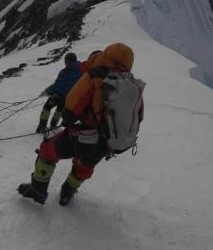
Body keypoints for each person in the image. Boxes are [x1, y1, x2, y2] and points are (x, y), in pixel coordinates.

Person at [18, 43, 143, 206]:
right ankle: (66, 195)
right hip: (107, 143)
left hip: (82, 136)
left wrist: (71, 120)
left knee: (48, 149)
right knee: (84, 166)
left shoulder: (95, 75)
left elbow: (70, 109)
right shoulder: (132, 86)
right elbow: (138, 117)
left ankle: (38, 190)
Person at [35, 53, 82, 133]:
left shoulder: (66, 71)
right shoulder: (80, 70)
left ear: (68, 61)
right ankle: (53, 125)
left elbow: (58, 84)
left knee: (46, 108)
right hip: (69, 97)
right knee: (59, 110)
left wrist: (47, 91)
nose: (65, 62)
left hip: (58, 95)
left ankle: (42, 127)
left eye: (65, 60)